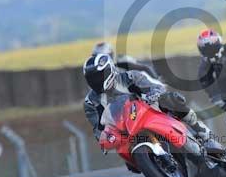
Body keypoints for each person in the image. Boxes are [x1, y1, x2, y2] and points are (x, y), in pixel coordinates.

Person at [83, 53, 211, 144]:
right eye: (92, 78)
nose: (96, 81)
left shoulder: (130, 77)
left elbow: (157, 87)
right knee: (130, 163)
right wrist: (105, 138)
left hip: (148, 110)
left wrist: (154, 93)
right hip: (126, 130)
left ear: (109, 70)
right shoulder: (91, 102)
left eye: (99, 76)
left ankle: (199, 128)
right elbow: (98, 130)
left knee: (172, 99)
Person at [92, 42, 159, 78]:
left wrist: (156, 82)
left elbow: (145, 68)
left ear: (111, 54)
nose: (100, 60)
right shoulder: (95, 72)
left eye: (103, 57)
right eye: (96, 57)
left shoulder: (123, 61)